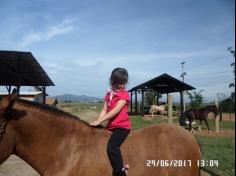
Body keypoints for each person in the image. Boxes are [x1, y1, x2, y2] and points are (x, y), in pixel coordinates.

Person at [90, 67, 131, 176]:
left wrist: (101, 120)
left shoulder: (124, 95)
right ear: (112, 81)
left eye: (122, 83)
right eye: (117, 83)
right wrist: (98, 121)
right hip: (111, 126)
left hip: (122, 127)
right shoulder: (109, 95)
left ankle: (121, 171)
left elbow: (116, 110)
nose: (120, 85)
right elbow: (104, 110)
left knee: (112, 146)